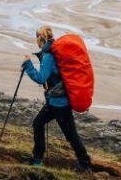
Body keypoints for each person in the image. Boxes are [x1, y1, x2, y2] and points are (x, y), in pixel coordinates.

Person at [21, 25, 92, 172]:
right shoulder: (53, 51)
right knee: (38, 123)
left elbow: (41, 78)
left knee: (70, 134)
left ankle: (85, 165)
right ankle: (37, 158)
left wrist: (28, 65)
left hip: (59, 104)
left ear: (39, 39)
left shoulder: (48, 56)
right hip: (55, 102)